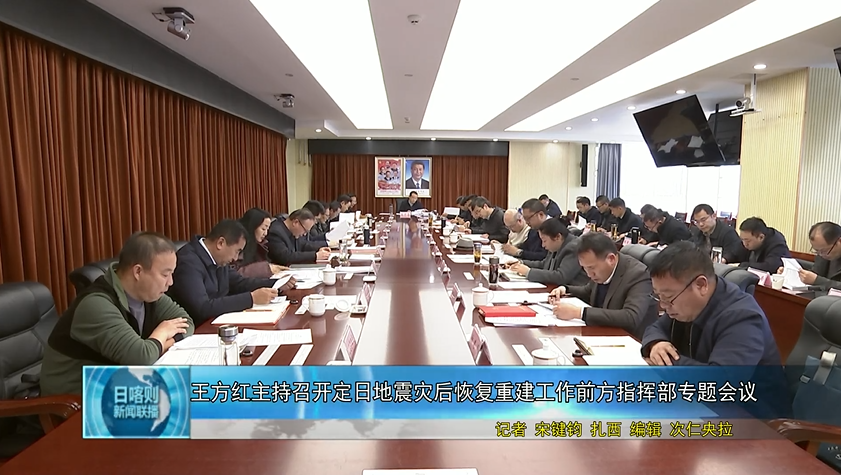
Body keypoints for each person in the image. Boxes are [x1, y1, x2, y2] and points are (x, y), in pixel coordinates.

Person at [41, 232, 195, 395]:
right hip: (77, 397)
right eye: (165, 274)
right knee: (191, 398)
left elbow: (187, 323)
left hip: (115, 382)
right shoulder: (96, 305)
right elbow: (141, 358)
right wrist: (162, 332)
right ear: (138, 271)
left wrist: (158, 347)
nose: (170, 282)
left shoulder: (149, 294)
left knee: (197, 390)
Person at [642, 242, 782, 366]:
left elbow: (720, 380)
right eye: (658, 295)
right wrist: (657, 343)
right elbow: (656, 328)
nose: (663, 305)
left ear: (701, 285)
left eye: (668, 297)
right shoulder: (681, 304)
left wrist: (665, 361)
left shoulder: (743, 317)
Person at [168, 219, 291, 325]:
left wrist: (277, 284)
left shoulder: (218, 258)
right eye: (237, 251)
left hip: (219, 322)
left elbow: (239, 283)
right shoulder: (188, 262)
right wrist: (251, 298)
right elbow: (202, 308)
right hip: (198, 329)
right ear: (220, 243)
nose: (236, 258)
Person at [550, 233, 658, 339]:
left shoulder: (638, 274)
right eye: (584, 268)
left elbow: (631, 317)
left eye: (591, 268)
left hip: (630, 340)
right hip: (601, 333)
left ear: (611, 259)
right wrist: (565, 289)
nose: (589, 274)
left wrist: (578, 313)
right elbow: (588, 291)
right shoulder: (601, 271)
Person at [509, 218, 588, 286]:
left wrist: (528, 272)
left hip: (573, 294)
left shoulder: (574, 248)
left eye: (544, 241)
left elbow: (561, 276)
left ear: (558, 237)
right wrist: (521, 262)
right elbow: (544, 264)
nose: (543, 245)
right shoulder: (556, 245)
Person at [778, 221, 841, 290]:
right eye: (817, 251)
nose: (821, 255)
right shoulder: (821, 252)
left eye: (824, 251)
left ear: (839, 241)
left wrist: (817, 280)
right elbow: (815, 273)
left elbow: (817, 279)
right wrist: (789, 273)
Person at [233, 208, 288, 279]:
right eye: (263, 229)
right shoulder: (237, 243)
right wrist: (266, 268)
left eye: (267, 229)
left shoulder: (260, 244)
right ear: (252, 226)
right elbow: (235, 273)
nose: (265, 233)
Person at [267, 209, 331, 265]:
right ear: (295, 222)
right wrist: (315, 255)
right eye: (305, 230)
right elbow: (286, 257)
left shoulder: (293, 231)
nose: (305, 234)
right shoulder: (275, 232)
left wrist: (319, 250)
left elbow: (303, 245)